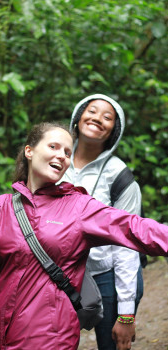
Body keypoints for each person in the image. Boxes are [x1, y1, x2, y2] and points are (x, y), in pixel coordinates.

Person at [0, 122, 168, 350]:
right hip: (2, 336)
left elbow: (135, 228)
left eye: (68, 152)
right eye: (54, 147)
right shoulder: (2, 208)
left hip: (51, 339)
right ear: (29, 151)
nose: (63, 156)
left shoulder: (80, 207)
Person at [60, 93, 143, 350]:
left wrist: (126, 314)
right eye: (92, 111)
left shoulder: (118, 175)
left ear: (113, 131)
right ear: (78, 116)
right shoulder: (55, 158)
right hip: (62, 274)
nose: (97, 118)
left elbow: (127, 243)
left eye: (107, 117)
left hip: (108, 274)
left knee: (112, 345)